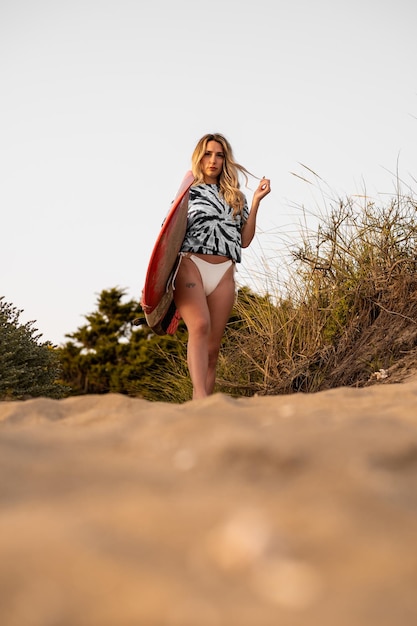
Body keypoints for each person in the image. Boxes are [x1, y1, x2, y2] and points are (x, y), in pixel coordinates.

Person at [174, 133, 271, 400]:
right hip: (191, 265)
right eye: (207, 154)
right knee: (200, 326)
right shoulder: (187, 193)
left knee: (213, 349)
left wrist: (255, 202)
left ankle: (200, 407)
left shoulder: (234, 197)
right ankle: (202, 397)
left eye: (219, 155)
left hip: (224, 272)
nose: (213, 160)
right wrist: (156, 283)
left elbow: (245, 240)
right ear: (199, 157)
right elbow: (168, 236)